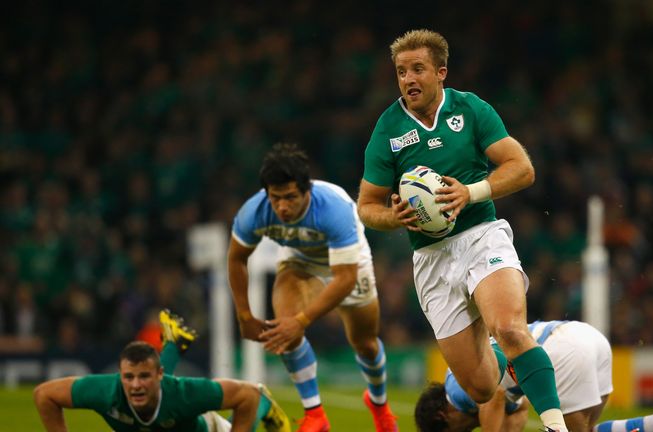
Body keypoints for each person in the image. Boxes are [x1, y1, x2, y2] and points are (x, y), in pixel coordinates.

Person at [357, 29, 566, 431]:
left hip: (480, 234)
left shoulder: (470, 110)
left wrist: (469, 192)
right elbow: (367, 207)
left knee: (509, 327)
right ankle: (510, 363)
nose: (408, 79)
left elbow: (522, 168)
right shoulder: (387, 130)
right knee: (483, 388)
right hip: (430, 258)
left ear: (441, 72)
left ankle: (556, 425)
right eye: (401, 72)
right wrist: (394, 217)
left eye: (418, 69)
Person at [228, 142, 398, 432]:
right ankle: (315, 413)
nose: (282, 206)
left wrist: (303, 320)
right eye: (275, 197)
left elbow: (344, 277)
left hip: (348, 262)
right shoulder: (254, 212)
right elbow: (236, 259)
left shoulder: (333, 209)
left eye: (291, 197)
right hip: (300, 260)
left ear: (307, 191)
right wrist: (244, 315)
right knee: (285, 328)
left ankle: (379, 404)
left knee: (365, 344)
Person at [33, 309, 290, 432]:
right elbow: (44, 394)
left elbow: (246, 396)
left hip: (204, 430)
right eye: (128, 377)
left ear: (161, 376)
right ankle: (174, 343)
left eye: (143, 376)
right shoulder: (105, 391)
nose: (134, 385)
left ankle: (265, 405)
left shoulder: (184, 393)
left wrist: (256, 399)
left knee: (252, 399)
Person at [414, 320, 653, 432]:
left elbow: (494, 398)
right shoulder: (464, 384)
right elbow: (519, 407)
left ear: (442, 416)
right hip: (589, 339)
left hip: (560, 352)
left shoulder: (458, 387)